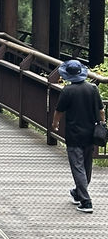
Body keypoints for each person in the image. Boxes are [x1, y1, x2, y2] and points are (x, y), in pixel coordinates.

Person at [51, 59, 105, 213]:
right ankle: (77, 192)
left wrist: (55, 125)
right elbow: (101, 110)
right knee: (86, 166)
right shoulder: (93, 88)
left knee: (77, 167)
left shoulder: (67, 91)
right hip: (91, 134)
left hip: (74, 134)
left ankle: (86, 201)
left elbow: (59, 111)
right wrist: (102, 124)